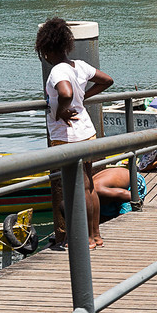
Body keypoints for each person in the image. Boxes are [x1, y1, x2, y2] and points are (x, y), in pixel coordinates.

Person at [38, 18, 115, 252]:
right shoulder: (78, 65)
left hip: (68, 136)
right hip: (87, 132)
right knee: (88, 185)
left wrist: (61, 111)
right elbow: (107, 81)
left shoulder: (57, 71)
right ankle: (96, 235)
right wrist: (83, 98)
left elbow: (65, 92)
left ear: (47, 49)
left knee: (76, 189)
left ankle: (85, 240)